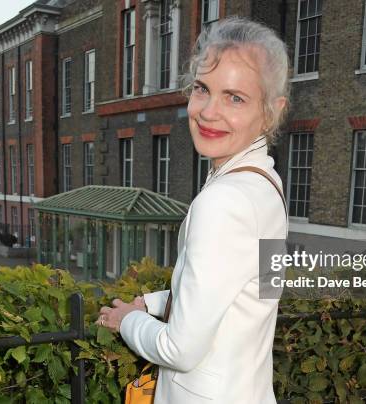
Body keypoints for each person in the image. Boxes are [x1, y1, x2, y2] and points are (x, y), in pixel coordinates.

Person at [96, 17, 289, 404]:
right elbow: (250, 292)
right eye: (202, 89)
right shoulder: (269, 187)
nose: (208, 111)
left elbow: (179, 350)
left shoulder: (223, 202)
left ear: (270, 111)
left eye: (235, 97)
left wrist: (127, 320)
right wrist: (149, 303)